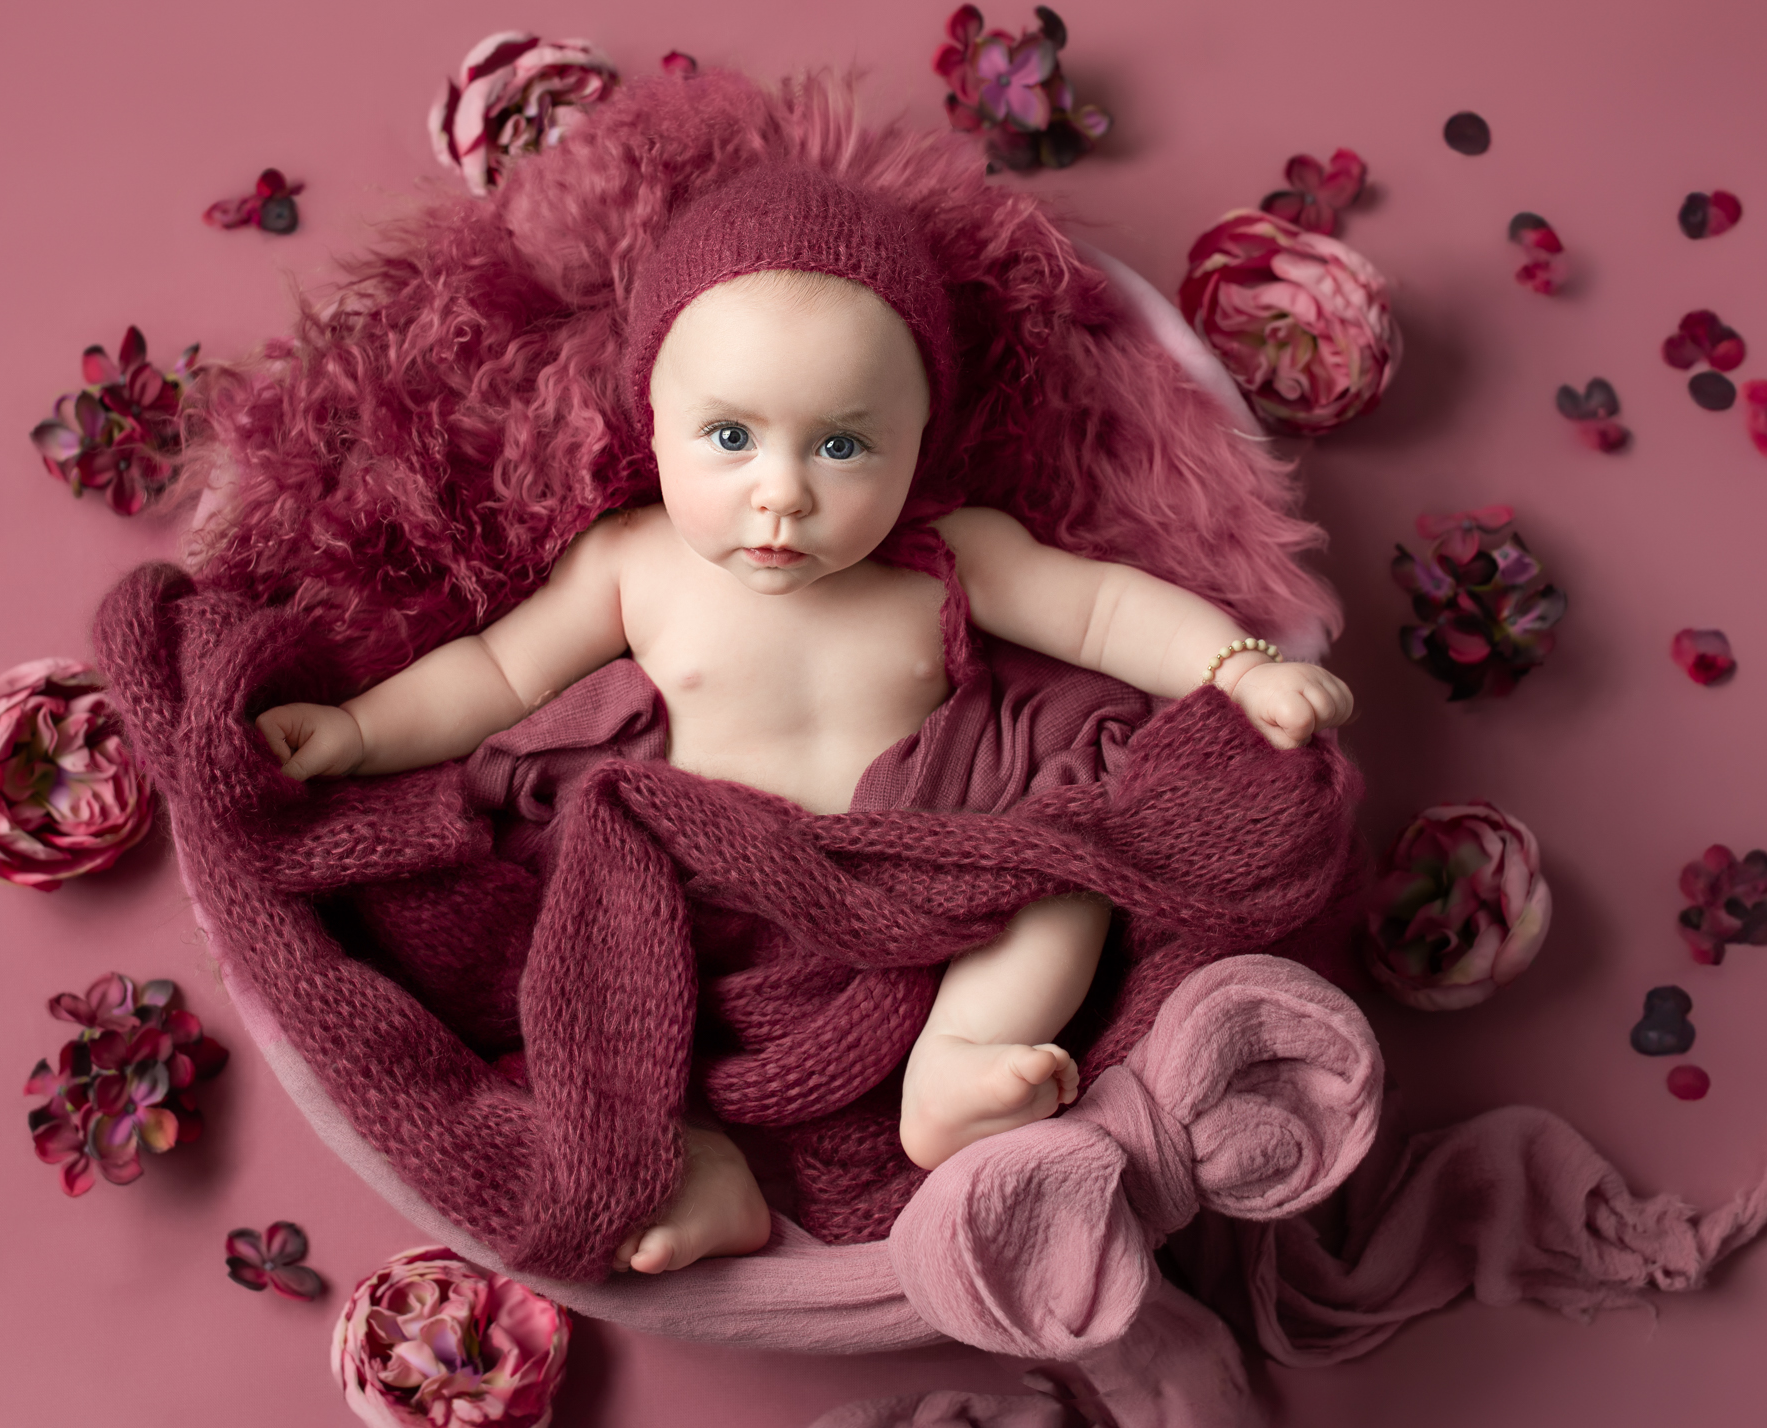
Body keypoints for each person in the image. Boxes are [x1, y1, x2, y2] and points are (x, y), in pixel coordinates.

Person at [252, 165, 1353, 1276]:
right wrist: (355, 733)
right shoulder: (632, 564)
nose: (781, 493)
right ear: (653, 418)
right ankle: (698, 1171)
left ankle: (956, 1059)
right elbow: (493, 671)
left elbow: (1104, 606)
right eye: (729, 438)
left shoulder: (948, 557)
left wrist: (1236, 666)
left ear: (919, 439)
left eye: (840, 446)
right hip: (705, 901)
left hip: (928, 876)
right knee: (594, 991)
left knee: (1063, 870)